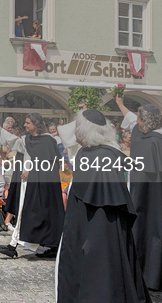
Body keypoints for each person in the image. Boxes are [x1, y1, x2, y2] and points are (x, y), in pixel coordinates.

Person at [57, 109, 152, 303]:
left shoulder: (102, 155)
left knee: (102, 273)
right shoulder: (91, 152)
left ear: (84, 132)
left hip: (100, 230)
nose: (74, 132)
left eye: (77, 128)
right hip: (86, 228)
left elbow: (101, 201)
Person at [0, 113, 65, 259]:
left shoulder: (47, 140)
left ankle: (14, 246)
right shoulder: (27, 139)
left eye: (28, 123)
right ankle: (13, 246)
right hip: (28, 185)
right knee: (25, 213)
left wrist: (32, 171)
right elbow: (14, 142)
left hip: (41, 186)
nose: (25, 125)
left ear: (36, 124)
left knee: (35, 214)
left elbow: (49, 162)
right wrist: (1, 129)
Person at [116, 96, 162, 291]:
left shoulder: (157, 139)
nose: (136, 122)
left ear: (146, 120)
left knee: (154, 231)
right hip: (138, 190)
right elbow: (130, 117)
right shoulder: (139, 131)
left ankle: (153, 276)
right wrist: (119, 103)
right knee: (139, 229)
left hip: (154, 193)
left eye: (140, 119)